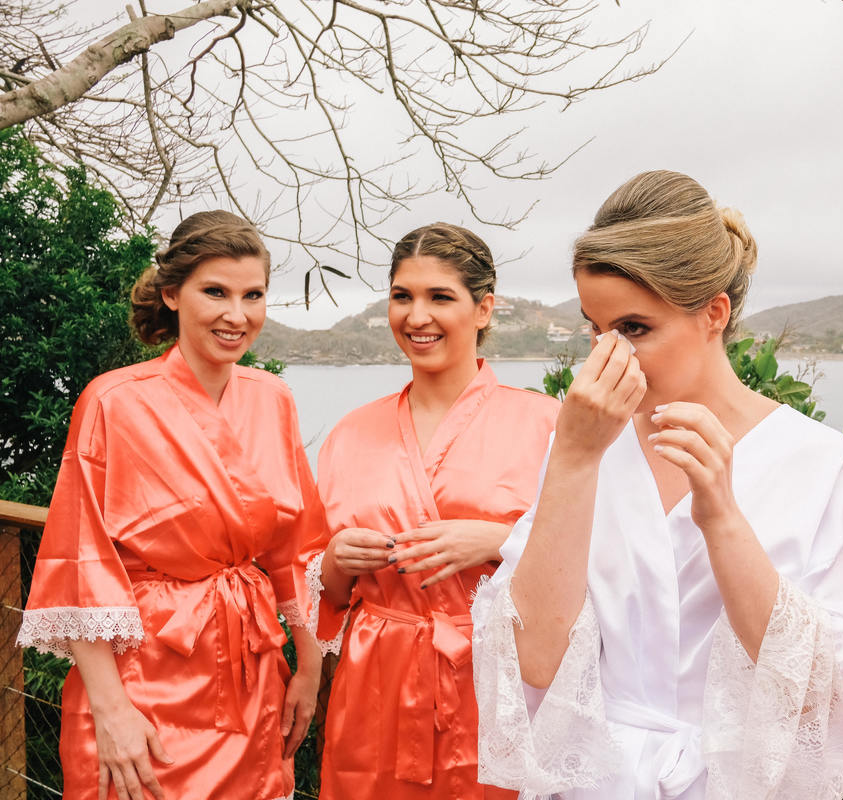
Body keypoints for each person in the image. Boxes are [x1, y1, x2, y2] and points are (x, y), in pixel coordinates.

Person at [471, 170, 843, 799]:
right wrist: (577, 461)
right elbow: (533, 661)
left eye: (635, 329)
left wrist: (720, 515)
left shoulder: (816, 460)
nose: (606, 358)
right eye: (594, 328)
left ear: (714, 312)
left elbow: (818, 690)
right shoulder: (583, 442)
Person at [16, 210, 325, 800]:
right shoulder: (112, 401)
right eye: (216, 292)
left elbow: (298, 548)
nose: (237, 315)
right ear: (172, 295)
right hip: (143, 679)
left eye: (252, 295)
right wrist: (112, 712)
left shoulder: (274, 399)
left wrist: (307, 667)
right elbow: (79, 566)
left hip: (251, 673)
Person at [302, 223, 559, 799]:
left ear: (484, 308)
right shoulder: (350, 433)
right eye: (402, 296)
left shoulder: (546, 424)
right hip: (374, 685)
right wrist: (337, 560)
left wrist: (499, 542)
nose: (417, 317)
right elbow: (325, 593)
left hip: (496, 683)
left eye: (440, 297)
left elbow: (593, 563)